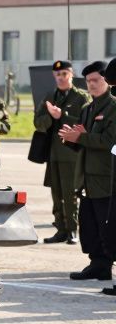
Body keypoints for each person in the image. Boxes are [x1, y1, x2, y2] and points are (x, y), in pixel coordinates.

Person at [60, 61, 116, 281]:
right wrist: (71, 139)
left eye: (96, 80)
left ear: (106, 81)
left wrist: (81, 137)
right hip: (86, 176)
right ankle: (98, 264)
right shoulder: (87, 109)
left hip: (105, 176)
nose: (92, 85)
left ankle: (107, 263)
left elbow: (110, 140)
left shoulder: (113, 107)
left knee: (107, 224)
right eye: (89, 81)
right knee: (90, 224)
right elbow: (83, 143)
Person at [34, 60, 89, 244]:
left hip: (71, 154)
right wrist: (50, 116)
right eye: (58, 75)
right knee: (56, 193)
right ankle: (60, 229)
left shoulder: (81, 97)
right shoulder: (50, 96)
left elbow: (85, 123)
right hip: (53, 153)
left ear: (71, 75)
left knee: (70, 194)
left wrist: (62, 116)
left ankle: (73, 230)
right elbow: (38, 122)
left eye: (64, 74)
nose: (61, 77)